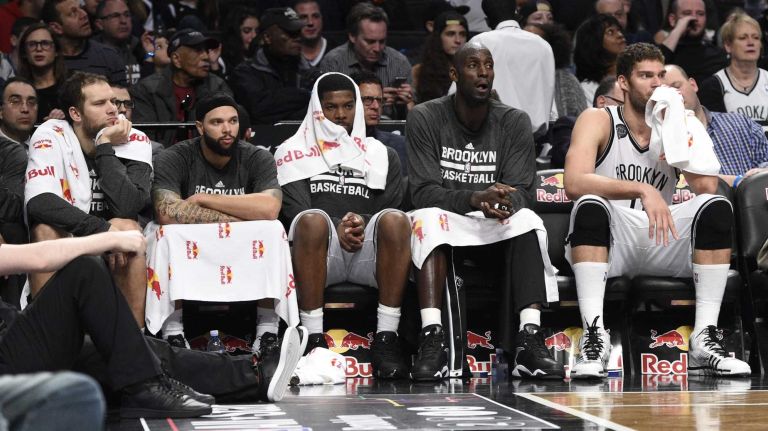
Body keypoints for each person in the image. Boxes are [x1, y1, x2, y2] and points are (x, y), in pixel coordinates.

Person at [564, 43, 751, 378]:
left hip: (659, 236)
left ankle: (704, 338)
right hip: (610, 238)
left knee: (715, 206)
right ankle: (594, 337)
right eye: (645, 75)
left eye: (660, 75)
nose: (655, 83)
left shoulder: (674, 122)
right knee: (590, 203)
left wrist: (679, 138)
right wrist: (642, 188)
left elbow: (707, 188)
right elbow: (574, 182)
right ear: (623, 82)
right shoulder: (598, 119)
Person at [0, 231, 305, 418]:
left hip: (12, 338)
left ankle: (255, 375)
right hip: (7, 366)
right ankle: (145, 387)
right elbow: (38, 258)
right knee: (84, 270)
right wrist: (109, 239)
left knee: (132, 350)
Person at [406, 42, 562, 380]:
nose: (483, 72)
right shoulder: (425, 116)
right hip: (449, 219)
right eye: (473, 65)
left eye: (488, 65)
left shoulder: (514, 121)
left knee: (527, 220)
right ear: (454, 73)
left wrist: (503, 204)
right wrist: (475, 199)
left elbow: (523, 191)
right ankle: (432, 336)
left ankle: (529, 338)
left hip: (492, 223)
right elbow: (422, 192)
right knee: (425, 219)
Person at [276, 72, 412, 379]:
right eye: (331, 107)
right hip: (322, 252)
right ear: (317, 109)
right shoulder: (291, 151)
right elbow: (295, 210)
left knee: (396, 220)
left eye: (348, 106)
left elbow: (390, 206)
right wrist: (338, 227)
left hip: (367, 252)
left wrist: (358, 223)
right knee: (311, 220)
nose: (340, 114)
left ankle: (387, 338)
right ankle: (312, 339)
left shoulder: (382, 154)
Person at [150, 93, 287, 350]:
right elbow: (166, 211)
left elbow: (270, 209)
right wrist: (243, 215)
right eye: (217, 122)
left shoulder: (257, 157)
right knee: (165, 233)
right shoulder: (175, 156)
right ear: (200, 127)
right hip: (192, 244)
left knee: (273, 230)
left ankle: (268, 329)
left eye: (233, 121)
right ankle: (173, 329)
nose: (227, 129)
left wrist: (204, 199)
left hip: (241, 245)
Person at [24, 71, 152, 326]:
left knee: (128, 228)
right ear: (75, 114)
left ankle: (133, 340)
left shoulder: (135, 139)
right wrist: (103, 232)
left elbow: (128, 206)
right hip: (73, 236)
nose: (113, 109)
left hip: (114, 247)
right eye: (100, 103)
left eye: (113, 101)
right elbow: (40, 201)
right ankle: (49, 337)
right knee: (45, 230)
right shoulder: (51, 134)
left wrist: (104, 145)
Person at [664, 64, 768, 186]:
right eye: (665, 93)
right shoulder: (662, 142)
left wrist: (761, 174)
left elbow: (765, 162)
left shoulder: (741, 124)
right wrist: (738, 181)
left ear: (693, 85)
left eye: (676, 87)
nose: (674, 96)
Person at [466, 0, 554, 137]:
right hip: (536, 141)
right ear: (517, 14)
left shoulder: (480, 42)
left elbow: (462, 92)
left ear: (487, 21)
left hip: (495, 138)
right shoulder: (543, 45)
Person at [131, 28, 231, 145]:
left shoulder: (217, 87)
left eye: (206, 50)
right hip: (162, 155)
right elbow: (145, 142)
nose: (206, 56)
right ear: (176, 59)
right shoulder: (147, 90)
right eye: (197, 50)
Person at [319, 2, 414, 120]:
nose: (377, 48)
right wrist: (375, 100)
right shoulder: (334, 62)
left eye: (382, 41)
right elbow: (325, 111)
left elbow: (412, 113)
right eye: (370, 42)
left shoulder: (399, 62)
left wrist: (405, 103)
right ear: (352, 36)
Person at [230, 7, 319, 126]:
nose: (298, 37)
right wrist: (306, 95)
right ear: (267, 37)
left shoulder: (308, 71)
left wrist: (279, 103)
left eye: (298, 31)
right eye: (290, 32)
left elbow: (321, 109)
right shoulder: (245, 73)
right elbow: (259, 111)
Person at [698, 12, 768, 129]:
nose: (751, 43)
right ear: (728, 46)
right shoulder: (712, 86)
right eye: (743, 38)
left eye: (756, 38)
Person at [41, 0, 127, 85]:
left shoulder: (109, 56)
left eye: (81, 8)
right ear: (56, 28)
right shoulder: (46, 62)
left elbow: (122, 93)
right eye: (73, 13)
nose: (84, 14)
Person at [657, 0, 727, 84]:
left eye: (700, 14)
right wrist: (678, 29)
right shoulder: (666, 53)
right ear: (672, 19)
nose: (694, 18)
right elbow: (655, 65)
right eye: (687, 13)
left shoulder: (717, 56)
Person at [351, 71, 407, 173]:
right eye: (367, 100)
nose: (376, 106)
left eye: (380, 100)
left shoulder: (399, 144)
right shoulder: (334, 145)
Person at [412, 11, 468, 104]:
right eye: (450, 34)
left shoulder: (474, 70)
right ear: (438, 37)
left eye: (462, 34)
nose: (458, 40)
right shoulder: (419, 71)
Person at [15, 23, 67, 123]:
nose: (39, 49)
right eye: (32, 44)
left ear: (56, 51)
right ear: (24, 52)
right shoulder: (17, 90)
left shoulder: (71, 85)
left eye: (45, 43)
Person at [574, 14, 626, 106]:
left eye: (619, 30)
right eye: (610, 32)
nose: (620, 35)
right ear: (594, 42)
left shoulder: (634, 77)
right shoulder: (586, 89)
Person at [93, 0, 142, 85]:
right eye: (115, 16)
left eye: (127, 15)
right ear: (100, 24)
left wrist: (150, 54)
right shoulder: (92, 54)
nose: (123, 21)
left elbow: (150, 56)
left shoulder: (137, 45)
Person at [219, 7, 260, 79]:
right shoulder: (222, 61)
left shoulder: (262, 58)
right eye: (247, 31)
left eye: (257, 31)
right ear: (235, 33)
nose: (254, 35)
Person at [0, 77, 37, 147]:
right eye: (15, 101)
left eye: (31, 102)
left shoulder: (48, 144)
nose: (25, 109)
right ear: (1, 111)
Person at [295, 0, 327, 67]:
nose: (310, 23)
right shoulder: (287, 54)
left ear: (322, 19)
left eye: (315, 16)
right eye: (303, 17)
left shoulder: (340, 52)